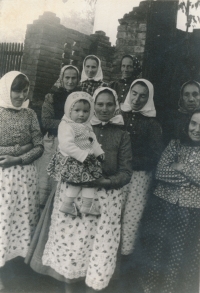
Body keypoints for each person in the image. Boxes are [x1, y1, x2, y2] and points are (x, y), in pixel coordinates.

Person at [25, 87, 132, 293]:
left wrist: (106, 182)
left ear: (116, 107)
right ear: (93, 105)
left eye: (109, 104)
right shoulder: (76, 125)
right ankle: (67, 286)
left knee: (95, 249)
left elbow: (126, 172)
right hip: (73, 192)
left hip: (103, 196)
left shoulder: (122, 135)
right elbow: (63, 156)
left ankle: (91, 285)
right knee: (71, 247)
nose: (103, 108)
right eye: (99, 104)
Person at [132, 110, 200, 293]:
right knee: (158, 248)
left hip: (191, 211)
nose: (196, 129)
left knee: (180, 253)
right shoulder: (175, 144)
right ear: (187, 124)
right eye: (193, 123)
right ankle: (151, 288)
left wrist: (181, 167)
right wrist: (189, 179)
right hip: (164, 206)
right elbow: (161, 171)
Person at [0, 71, 43, 289]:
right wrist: (20, 147)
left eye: (24, 91)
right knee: (3, 221)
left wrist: (18, 157)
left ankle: (16, 270)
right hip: (2, 179)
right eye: (16, 90)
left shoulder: (30, 114)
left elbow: (39, 146)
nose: (20, 95)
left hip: (25, 178)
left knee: (21, 221)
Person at [120, 79, 163, 256]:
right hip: (118, 174)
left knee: (131, 216)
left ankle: (125, 256)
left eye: (143, 96)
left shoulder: (153, 125)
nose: (137, 99)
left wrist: (129, 162)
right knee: (113, 211)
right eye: (134, 93)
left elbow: (154, 156)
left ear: (149, 98)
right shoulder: (119, 116)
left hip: (138, 177)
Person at [47, 91, 104, 216]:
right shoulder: (66, 125)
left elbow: (92, 140)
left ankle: (87, 205)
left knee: (89, 181)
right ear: (69, 110)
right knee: (77, 181)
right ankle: (67, 204)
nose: (81, 115)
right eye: (77, 110)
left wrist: (99, 152)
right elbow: (66, 145)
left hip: (86, 159)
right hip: (73, 160)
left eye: (85, 111)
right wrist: (82, 155)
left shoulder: (87, 126)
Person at [37, 65, 80, 206]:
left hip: (73, 143)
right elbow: (47, 122)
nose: (70, 81)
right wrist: (70, 123)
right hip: (53, 141)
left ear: (78, 79)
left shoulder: (82, 97)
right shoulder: (51, 97)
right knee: (46, 179)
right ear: (61, 78)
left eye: (74, 78)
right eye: (67, 77)